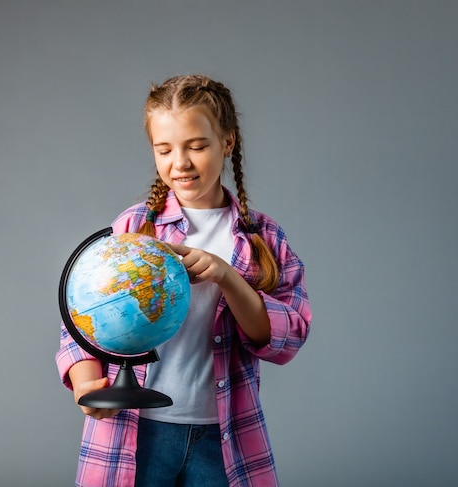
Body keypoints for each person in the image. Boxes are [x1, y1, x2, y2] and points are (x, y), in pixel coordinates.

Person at [56, 74, 312, 486]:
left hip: (223, 435)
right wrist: (87, 386)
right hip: (136, 431)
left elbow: (287, 337)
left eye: (197, 146)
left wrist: (227, 276)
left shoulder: (263, 238)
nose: (181, 163)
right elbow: (82, 317)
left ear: (227, 142)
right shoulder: (136, 226)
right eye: (165, 149)